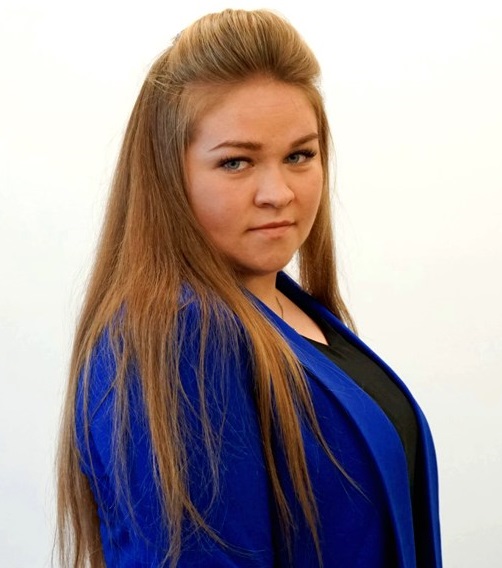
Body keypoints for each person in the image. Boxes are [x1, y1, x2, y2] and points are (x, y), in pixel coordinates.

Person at [56, 8, 442, 568]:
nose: (278, 192)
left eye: (299, 156)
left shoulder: (287, 309)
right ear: (168, 176)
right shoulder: (180, 334)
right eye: (236, 162)